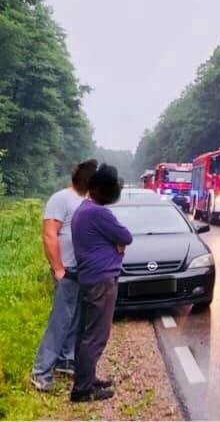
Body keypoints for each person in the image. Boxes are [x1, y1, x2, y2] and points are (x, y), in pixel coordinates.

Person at [30, 159, 98, 392]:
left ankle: (65, 361)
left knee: (75, 319)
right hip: (66, 271)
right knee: (60, 322)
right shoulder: (61, 198)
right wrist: (58, 268)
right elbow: (50, 235)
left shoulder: (86, 200)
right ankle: (40, 372)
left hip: (82, 272)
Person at [70, 163, 133, 402]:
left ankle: (86, 378)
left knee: (84, 334)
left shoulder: (83, 210)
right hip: (101, 281)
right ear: (97, 189)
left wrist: (114, 244)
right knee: (96, 335)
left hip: (89, 279)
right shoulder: (99, 213)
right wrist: (116, 245)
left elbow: (118, 239)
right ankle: (83, 390)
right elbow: (126, 237)